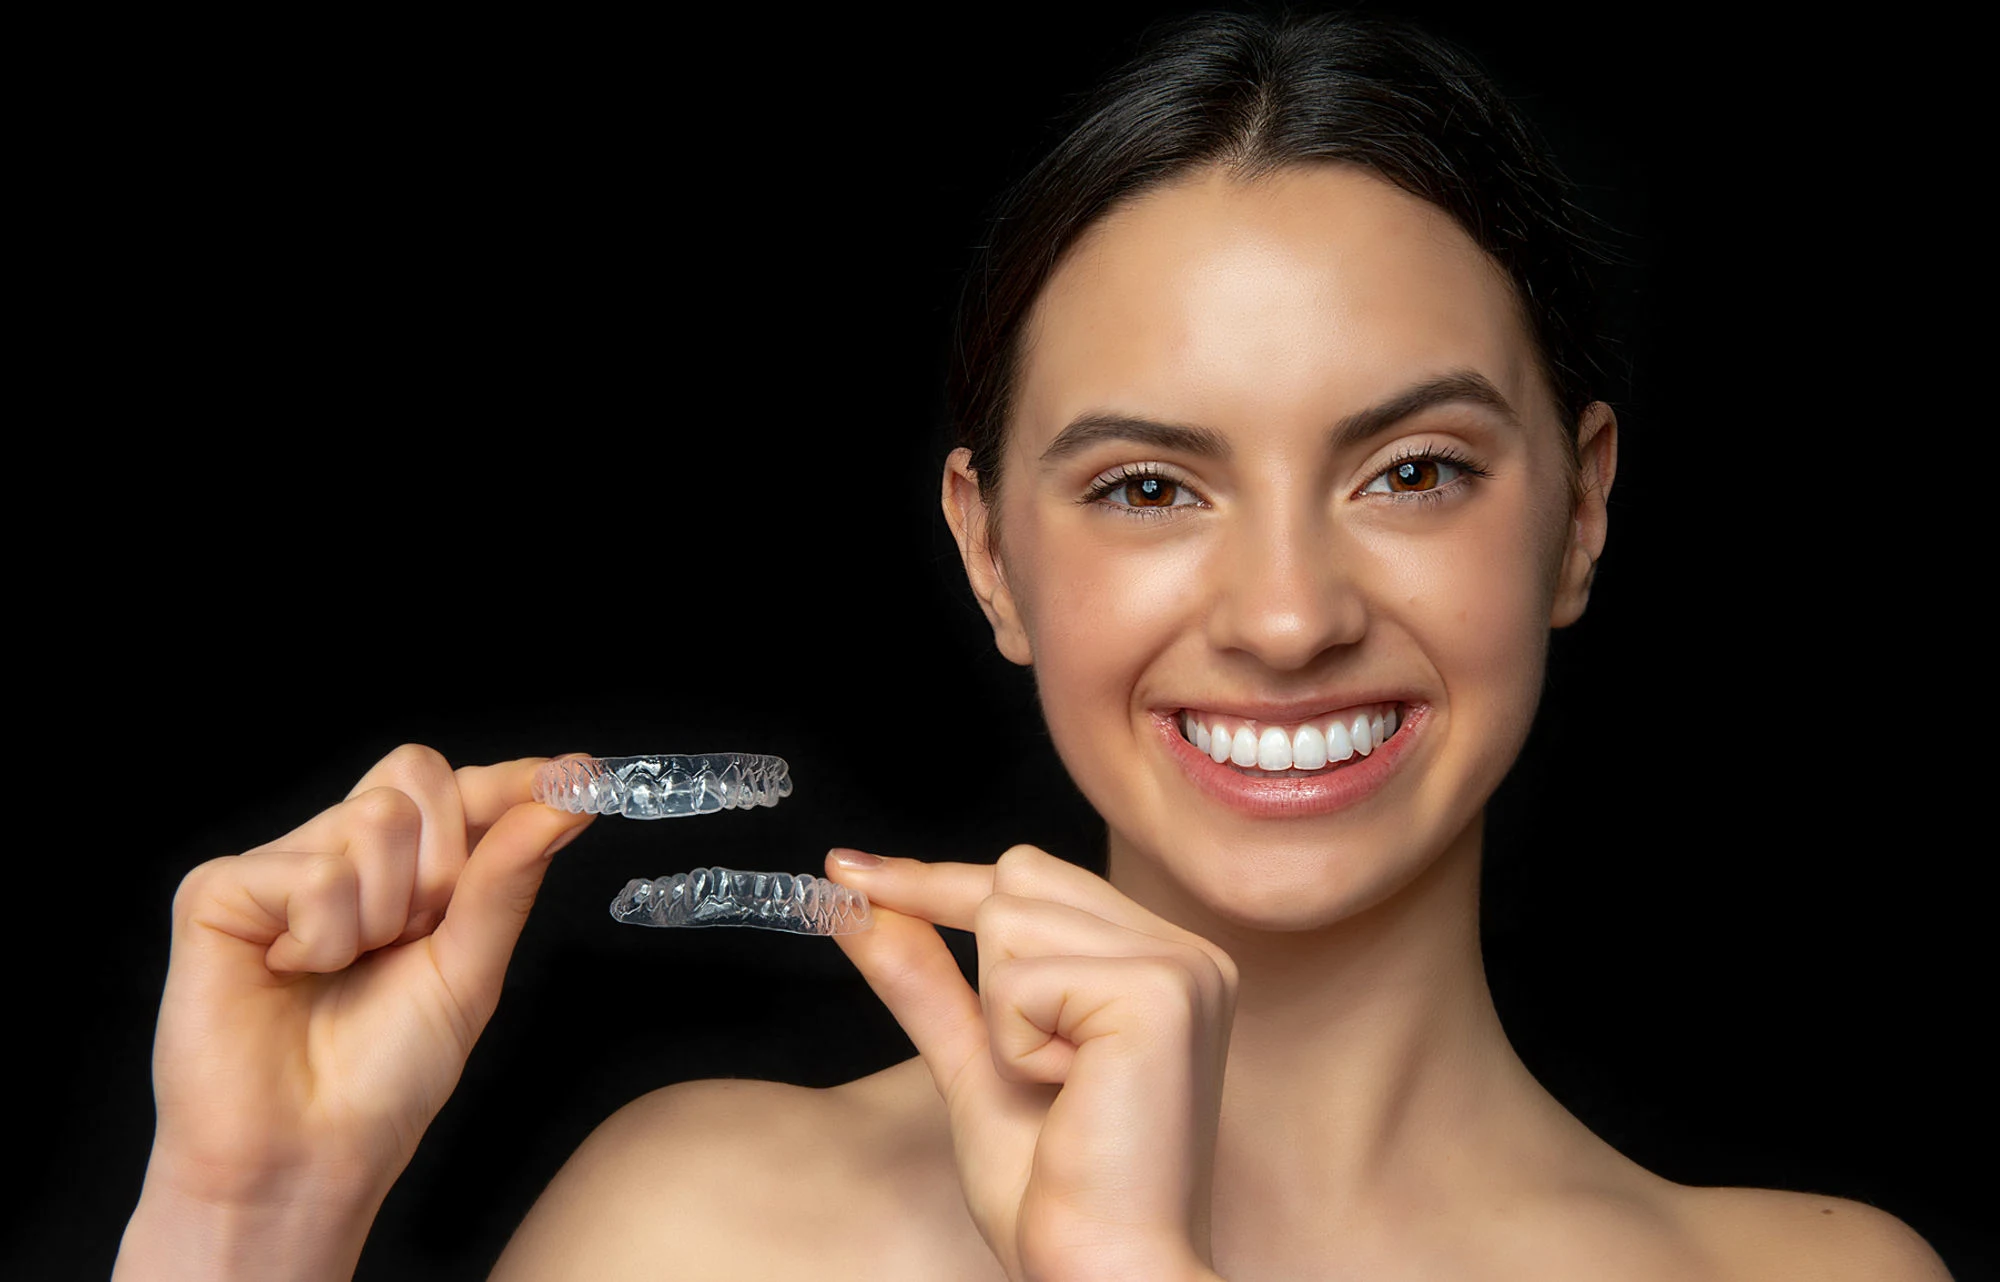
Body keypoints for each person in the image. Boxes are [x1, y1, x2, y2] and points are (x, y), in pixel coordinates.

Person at [115, 12, 1953, 1280]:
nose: (1289, 616)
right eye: (1150, 487)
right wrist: (240, 1219)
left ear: (1582, 508)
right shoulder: (706, 1228)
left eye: (1412, 470)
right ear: (990, 554)